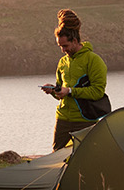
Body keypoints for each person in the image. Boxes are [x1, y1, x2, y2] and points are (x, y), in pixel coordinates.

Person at [41, 9, 108, 150]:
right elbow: (61, 93)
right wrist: (53, 90)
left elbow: (97, 92)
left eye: (65, 46)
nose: (62, 50)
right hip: (63, 119)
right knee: (56, 158)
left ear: (75, 41)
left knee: (88, 158)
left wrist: (70, 91)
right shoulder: (62, 63)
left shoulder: (93, 60)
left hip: (85, 121)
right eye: (60, 46)